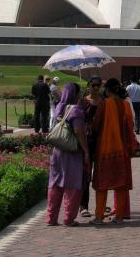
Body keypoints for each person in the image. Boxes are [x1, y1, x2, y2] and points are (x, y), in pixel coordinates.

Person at [90, 79, 138, 224]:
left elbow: (96, 126)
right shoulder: (126, 105)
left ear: (108, 90)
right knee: (121, 185)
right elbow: (130, 128)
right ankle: (119, 216)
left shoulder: (104, 104)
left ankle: (99, 216)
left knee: (101, 185)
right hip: (122, 151)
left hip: (105, 150)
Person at [46, 83, 89, 226]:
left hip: (57, 151)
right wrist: (86, 150)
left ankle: (51, 218)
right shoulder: (75, 110)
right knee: (72, 184)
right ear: (75, 94)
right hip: (72, 152)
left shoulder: (58, 107)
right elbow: (78, 132)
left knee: (55, 184)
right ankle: (69, 218)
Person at [79, 77, 102, 218]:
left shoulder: (104, 103)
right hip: (87, 141)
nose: (96, 88)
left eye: (98, 86)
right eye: (93, 85)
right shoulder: (83, 102)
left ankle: (101, 204)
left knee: (100, 173)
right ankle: (83, 205)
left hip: (100, 140)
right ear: (88, 86)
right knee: (86, 174)